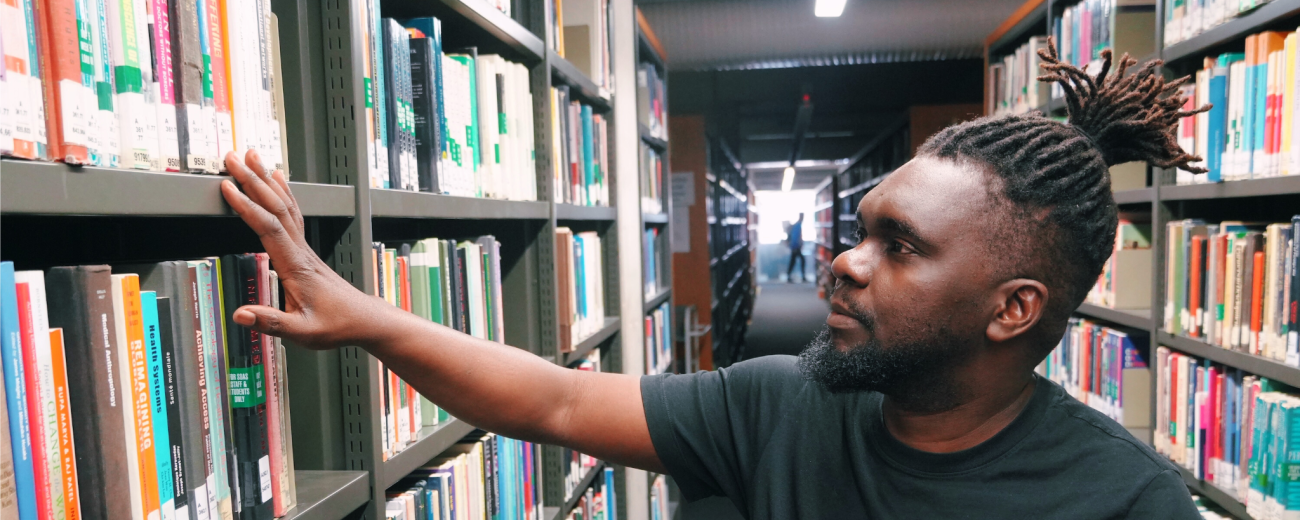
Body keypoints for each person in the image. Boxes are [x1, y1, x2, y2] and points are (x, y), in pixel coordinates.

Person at [217, 42, 1203, 519]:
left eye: (900, 247)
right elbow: (554, 399)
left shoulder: (1126, 505)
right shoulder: (781, 402)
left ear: (1013, 310)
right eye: (861, 228)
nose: (844, 261)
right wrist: (364, 317)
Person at [786, 213, 805, 283]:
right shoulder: (798, 225)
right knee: (801, 260)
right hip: (795, 247)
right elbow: (796, 237)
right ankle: (802, 276)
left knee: (793, 261)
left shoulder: (797, 225)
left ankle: (789, 276)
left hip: (795, 246)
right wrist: (797, 245)